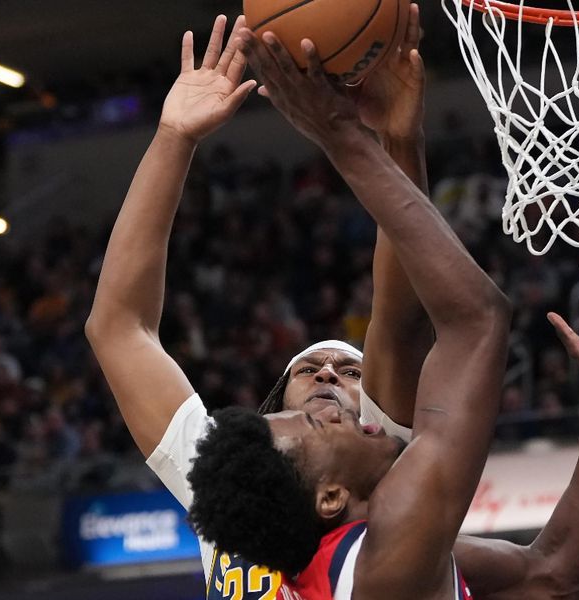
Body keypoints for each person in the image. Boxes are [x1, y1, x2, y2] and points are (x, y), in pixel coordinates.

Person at [186, 25, 579, 600]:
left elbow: (558, 576)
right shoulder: (388, 560)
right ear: (330, 497)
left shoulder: (358, 556)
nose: (335, 407)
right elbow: (476, 321)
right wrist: (339, 133)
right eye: (317, 423)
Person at [85, 11, 438, 590]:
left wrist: (399, 142)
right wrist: (174, 138)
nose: (326, 372)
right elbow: (117, 328)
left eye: (350, 372)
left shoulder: (383, 455)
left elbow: (400, 320)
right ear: (276, 414)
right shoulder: (235, 474)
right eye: (307, 372)